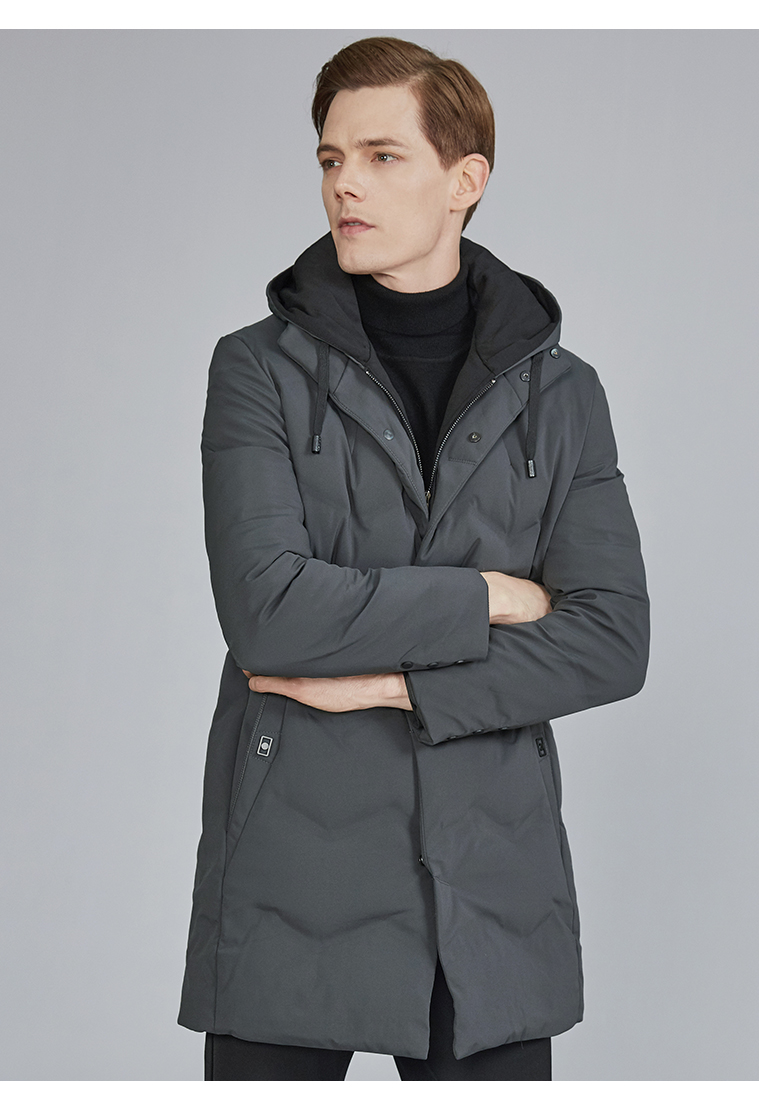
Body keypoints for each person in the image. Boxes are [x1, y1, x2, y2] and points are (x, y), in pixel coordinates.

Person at [178, 36, 649, 1082]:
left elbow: (612, 640)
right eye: (330, 158)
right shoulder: (254, 369)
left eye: (381, 156)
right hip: (296, 867)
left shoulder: (562, 393)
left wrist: (392, 684)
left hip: (490, 880)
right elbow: (267, 611)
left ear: (464, 179)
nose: (343, 182)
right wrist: (489, 594)